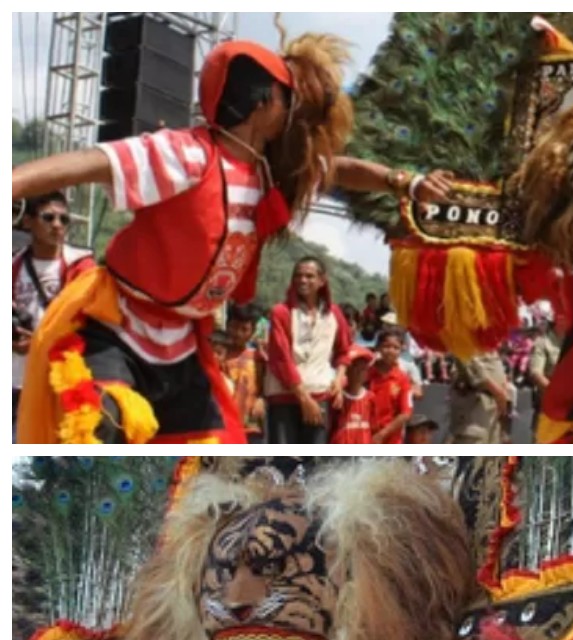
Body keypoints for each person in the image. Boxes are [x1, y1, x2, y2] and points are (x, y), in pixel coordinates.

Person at [13, 35, 452, 443]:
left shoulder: (270, 173)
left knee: (214, 453)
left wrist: (406, 183)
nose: (295, 113)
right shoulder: (185, 153)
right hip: (118, 328)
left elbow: (339, 168)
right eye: (288, 99)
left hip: (182, 343)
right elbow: (89, 163)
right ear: (263, 104)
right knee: (103, 422)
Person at [11, 192, 95, 426]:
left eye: (63, 219)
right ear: (27, 221)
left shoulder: (84, 270)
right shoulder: (11, 267)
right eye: (48, 218)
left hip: (64, 382)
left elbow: (93, 326)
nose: (57, 225)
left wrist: (39, 341)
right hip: (17, 382)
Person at [264, 258, 353, 444]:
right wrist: (304, 398)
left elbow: (344, 351)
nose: (302, 280)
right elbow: (281, 358)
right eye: (298, 275)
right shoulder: (281, 312)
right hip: (284, 396)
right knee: (284, 462)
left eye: (309, 276)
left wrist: (339, 379)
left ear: (322, 280)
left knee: (315, 463)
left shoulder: (334, 313)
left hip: (320, 392)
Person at [226, 304, 266, 443]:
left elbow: (268, 385)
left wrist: (262, 399)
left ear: (253, 331)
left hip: (251, 426)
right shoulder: (219, 356)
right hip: (223, 426)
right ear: (227, 325)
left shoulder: (258, 357)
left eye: (244, 329)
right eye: (234, 327)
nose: (238, 333)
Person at [449, 352, 509, 443]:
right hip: (476, 406)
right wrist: (498, 393)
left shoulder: (488, 345)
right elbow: (471, 364)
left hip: (493, 408)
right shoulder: (468, 341)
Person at [367, 328, 414, 444]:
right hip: (365, 434)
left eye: (396, 348)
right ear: (378, 347)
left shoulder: (403, 379)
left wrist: (383, 434)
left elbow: (405, 413)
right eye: (386, 346)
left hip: (391, 439)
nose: (390, 351)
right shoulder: (366, 373)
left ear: (401, 350)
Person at [330, 346, 376, 444]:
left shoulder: (371, 398)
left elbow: (374, 425)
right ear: (346, 369)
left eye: (363, 367)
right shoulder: (337, 397)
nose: (359, 371)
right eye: (355, 366)